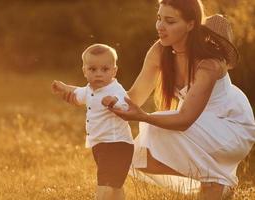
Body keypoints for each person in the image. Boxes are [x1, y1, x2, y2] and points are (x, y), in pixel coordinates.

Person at [60, 1, 255, 199]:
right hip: (198, 124)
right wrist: (88, 94)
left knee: (154, 127)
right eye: (159, 18)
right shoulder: (161, 50)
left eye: (170, 21)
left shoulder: (209, 64)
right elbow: (133, 97)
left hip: (230, 126)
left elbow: (185, 119)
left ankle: (216, 180)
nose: (160, 26)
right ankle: (215, 181)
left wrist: (143, 116)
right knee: (135, 156)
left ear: (191, 24)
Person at [51, 43, 134, 200]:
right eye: (93, 69)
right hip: (100, 145)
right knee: (114, 188)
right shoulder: (89, 89)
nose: (98, 74)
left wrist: (113, 102)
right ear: (84, 71)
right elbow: (77, 93)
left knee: (104, 186)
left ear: (114, 71)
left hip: (117, 145)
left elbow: (126, 105)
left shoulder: (115, 90)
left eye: (105, 69)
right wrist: (64, 88)